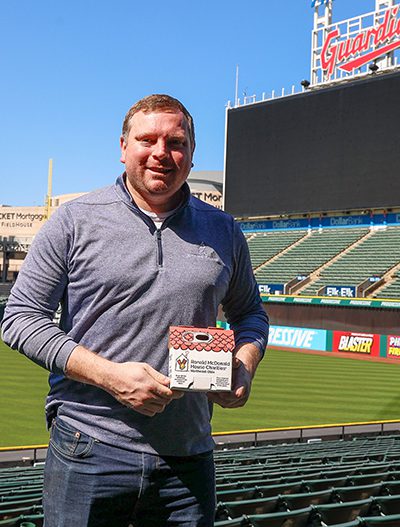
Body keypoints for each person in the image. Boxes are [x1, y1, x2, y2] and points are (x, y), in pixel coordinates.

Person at [1, 94, 269, 527]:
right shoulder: (74, 220)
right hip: (87, 447)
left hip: (188, 455)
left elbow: (251, 315)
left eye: (176, 142)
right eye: (148, 140)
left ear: (192, 152)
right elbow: (20, 318)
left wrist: (244, 362)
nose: (161, 153)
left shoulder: (225, 231)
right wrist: (110, 376)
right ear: (123, 147)